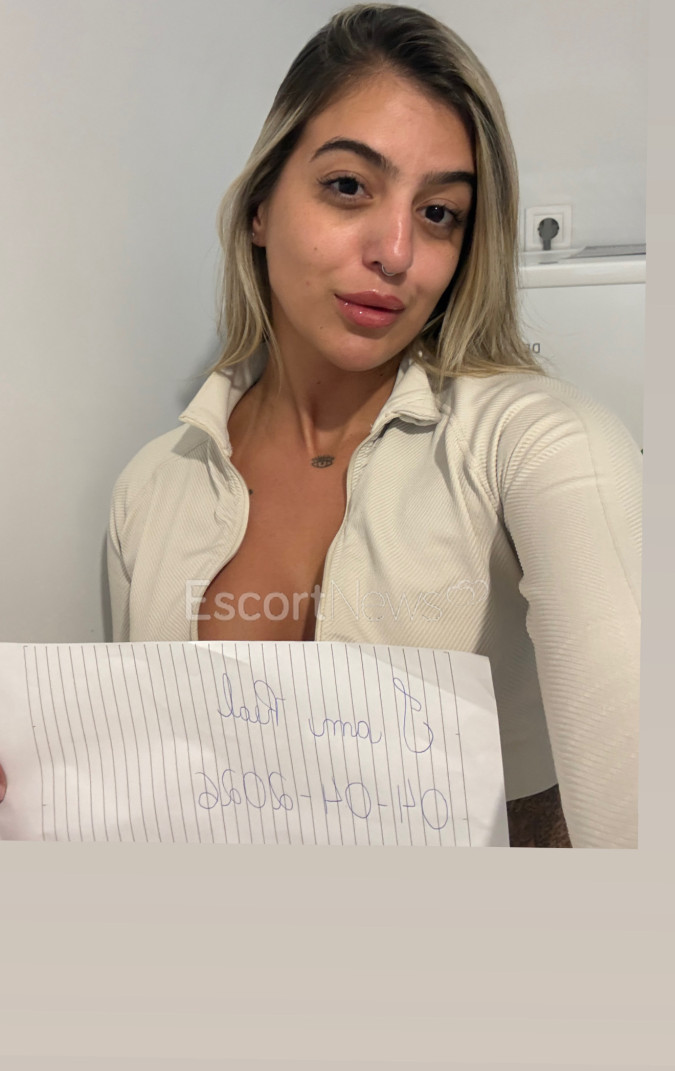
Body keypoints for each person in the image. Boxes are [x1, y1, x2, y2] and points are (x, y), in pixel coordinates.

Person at [0, 4, 641, 847]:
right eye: (348, 187)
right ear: (260, 207)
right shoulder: (150, 492)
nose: (396, 252)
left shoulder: (539, 446)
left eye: (439, 213)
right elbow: (145, 795)